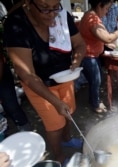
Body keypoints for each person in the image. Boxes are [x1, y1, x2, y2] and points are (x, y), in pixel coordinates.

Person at [3, 0, 86, 165]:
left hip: (65, 77)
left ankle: (67, 139)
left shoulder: (63, 16)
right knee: (54, 124)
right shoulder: (16, 25)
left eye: (56, 7)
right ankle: (60, 157)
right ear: (28, 3)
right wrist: (55, 102)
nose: (53, 13)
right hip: (39, 85)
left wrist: (76, 61)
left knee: (68, 114)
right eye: (45, 8)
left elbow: (80, 45)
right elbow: (26, 74)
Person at [78, 0, 118, 113]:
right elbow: (107, 37)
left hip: (92, 55)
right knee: (96, 80)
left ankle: (93, 100)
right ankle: (95, 104)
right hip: (88, 56)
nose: (106, 12)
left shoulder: (91, 15)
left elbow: (97, 36)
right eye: (106, 9)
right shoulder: (92, 19)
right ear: (99, 4)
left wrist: (106, 43)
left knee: (95, 80)